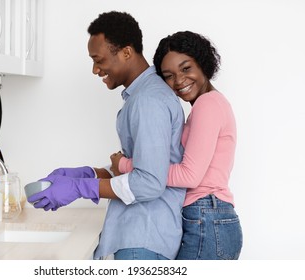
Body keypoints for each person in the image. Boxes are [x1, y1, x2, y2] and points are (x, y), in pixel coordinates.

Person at [27, 11, 186, 260]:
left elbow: (150, 182)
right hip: (137, 237)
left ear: (126, 52)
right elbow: (140, 167)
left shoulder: (148, 101)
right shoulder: (141, 97)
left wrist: (81, 187)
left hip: (143, 238)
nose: (94, 69)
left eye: (98, 60)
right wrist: (88, 174)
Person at [110, 31, 243, 260]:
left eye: (185, 68)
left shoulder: (207, 105)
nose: (179, 81)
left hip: (208, 218)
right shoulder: (208, 104)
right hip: (208, 218)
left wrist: (126, 165)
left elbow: (189, 175)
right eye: (169, 75)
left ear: (202, 63)